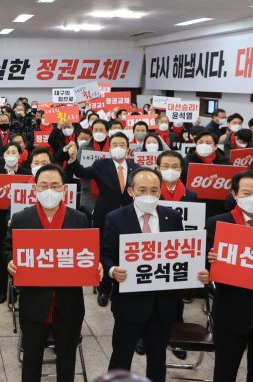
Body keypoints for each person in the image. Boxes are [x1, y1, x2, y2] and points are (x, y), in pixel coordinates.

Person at [101, 167, 209, 382]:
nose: (148, 195)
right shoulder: (116, 218)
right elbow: (106, 254)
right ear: (131, 191)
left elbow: (183, 254)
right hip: (130, 302)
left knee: (157, 358)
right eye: (142, 190)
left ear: (160, 192)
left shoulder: (173, 216)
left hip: (163, 303)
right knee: (121, 355)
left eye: (154, 190)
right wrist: (113, 271)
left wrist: (200, 271)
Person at [5, 164, 104, 382]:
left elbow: (88, 253)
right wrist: (9, 262)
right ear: (35, 190)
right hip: (34, 303)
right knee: (31, 359)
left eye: (55, 185)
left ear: (65, 190)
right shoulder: (21, 218)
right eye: (44, 186)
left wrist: (96, 265)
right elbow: (7, 248)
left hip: (68, 304)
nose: (49, 190)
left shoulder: (79, 219)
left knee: (67, 360)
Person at [67, 131, 140, 307]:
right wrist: (72, 158)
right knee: (104, 252)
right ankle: (104, 289)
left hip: (129, 217)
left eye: (122, 144)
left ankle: (124, 285)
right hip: (105, 216)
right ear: (109, 148)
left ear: (128, 148)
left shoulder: (136, 168)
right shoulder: (101, 165)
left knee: (126, 251)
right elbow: (81, 172)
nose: (118, 148)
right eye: (114, 145)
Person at [206, 170, 253, 382]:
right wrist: (208, 260)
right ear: (234, 194)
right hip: (231, 310)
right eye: (246, 193)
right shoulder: (217, 224)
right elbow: (201, 267)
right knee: (225, 371)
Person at [0, 142, 33, 303]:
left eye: (15, 152)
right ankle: (2, 290)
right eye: (8, 152)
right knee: (2, 254)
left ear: (20, 155)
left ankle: (17, 287)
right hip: (1, 220)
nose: (11, 155)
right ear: (3, 155)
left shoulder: (26, 173)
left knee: (20, 254)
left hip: (21, 219)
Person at [181, 129, 232, 218]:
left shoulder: (226, 164)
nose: (204, 145)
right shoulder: (184, 163)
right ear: (195, 145)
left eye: (208, 143)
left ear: (215, 146)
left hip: (218, 211)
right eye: (200, 142)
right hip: (193, 209)